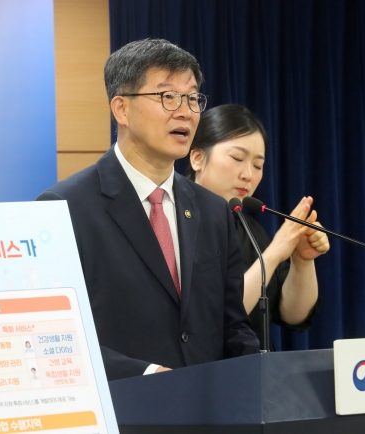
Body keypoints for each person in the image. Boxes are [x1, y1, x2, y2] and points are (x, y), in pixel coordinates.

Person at [36, 39, 259, 381]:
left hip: (211, 413)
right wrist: (149, 373)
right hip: (123, 414)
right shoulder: (64, 208)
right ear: (122, 109)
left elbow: (232, 325)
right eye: (167, 97)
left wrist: (259, 377)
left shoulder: (213, 211)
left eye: (192, 98)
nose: (185, 111)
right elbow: (56, 336)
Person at [188, 104, 330, 347]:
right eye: (237, 158)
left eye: (257, 165)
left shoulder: (252, 232)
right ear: (198, 158)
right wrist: (274, 253)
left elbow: (293, 315)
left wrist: (303, 260)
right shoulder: (174, 225)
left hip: (260, 373)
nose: (248, 175)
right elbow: (213, 319)